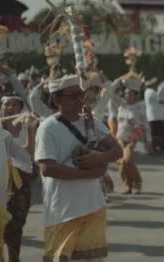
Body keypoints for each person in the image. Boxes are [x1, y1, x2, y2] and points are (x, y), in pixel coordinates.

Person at [35, 74, 122, 261]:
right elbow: (47, 168)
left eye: (81, 95)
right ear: (57, 99)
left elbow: (117, 150)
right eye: (73, 95)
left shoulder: (93, 122)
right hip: (62, 211)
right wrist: (89, 173)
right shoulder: (47, 127)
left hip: (92, 205)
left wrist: (99, 157)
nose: (80, 100)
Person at [0, 96, 38, 262]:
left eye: (15, 104)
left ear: (21, 109)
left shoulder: (27, 127)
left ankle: (14, 257)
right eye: (6, 104)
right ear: (1, 108)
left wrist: (31, 130)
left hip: (21, 181)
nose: (10, 107)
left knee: (16, 224)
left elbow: (29, 154)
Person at [110, 76, 152, 194]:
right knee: (123, 164)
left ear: (135, 95)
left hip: (133, 139)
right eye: (126, 93)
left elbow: (145, 125)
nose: (127, 95)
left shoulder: (140, 107)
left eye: (130, 94)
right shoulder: (121, 105)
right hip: (120, 138)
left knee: (127, 161)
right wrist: (120, 79)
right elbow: (110, 92)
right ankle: (128, 185)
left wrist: (149, 140)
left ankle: (137, 183)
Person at [144, 79, 164, 152]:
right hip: (155, 117)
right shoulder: (150, 91)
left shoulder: (150, 92)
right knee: (158, 133)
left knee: (157, 133)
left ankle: (156, 147)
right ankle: (155, 147)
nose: (156, 86)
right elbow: (161, 100)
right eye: (155, 84)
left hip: (156, 117)